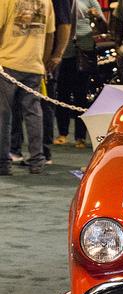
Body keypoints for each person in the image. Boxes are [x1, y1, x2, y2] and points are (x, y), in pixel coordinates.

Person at [10, 0, 74, 165]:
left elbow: (64, 24)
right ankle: (18, 149)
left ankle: (42, 153)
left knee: (41, 106)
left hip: (42, 60)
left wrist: (57, 55)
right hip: (26, 57)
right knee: (20, 106)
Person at [0, 0, 56, 175]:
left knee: (4, 115)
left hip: (7, 62)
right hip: (34, 64)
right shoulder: (47, 2)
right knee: (34, 114)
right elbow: (50, 35)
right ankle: (37, 160)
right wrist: (43, 62)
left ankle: (3, 163)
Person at [54, 0, 105, 148]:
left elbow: (103, 26)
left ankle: (80, 137)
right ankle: (62, 133)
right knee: (62, 94)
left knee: (81, 96)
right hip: (64, 53)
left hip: (84, 52)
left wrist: (96, 17)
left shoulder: (90, 1)